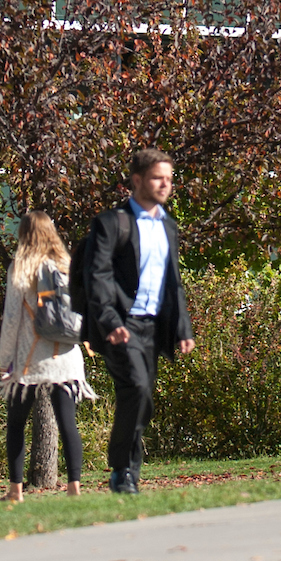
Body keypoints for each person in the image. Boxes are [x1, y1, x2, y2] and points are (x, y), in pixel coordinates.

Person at [78, 148, 195, 495]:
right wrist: (110, 320)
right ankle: (121, 471)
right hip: (120, 324)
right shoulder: (112, 223)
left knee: (142, 399)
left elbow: (173, 281)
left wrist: (182, 328)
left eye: (170, 179)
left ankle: (128, 473)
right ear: (137, 180)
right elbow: (96, 275)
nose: (165, 185)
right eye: (159, 178)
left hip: (152, 326)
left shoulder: (167, 226)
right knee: (137, 388)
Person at [0, 209, 92, 502]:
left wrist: (4, 363)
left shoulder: (21, 268)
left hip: (30, 361)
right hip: (66, 356)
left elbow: (12, 319)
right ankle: (75, 487)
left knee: (15, 424)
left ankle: (16, 490)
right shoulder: (67, 265)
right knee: (67, 424)